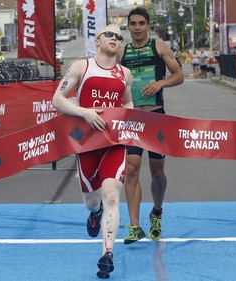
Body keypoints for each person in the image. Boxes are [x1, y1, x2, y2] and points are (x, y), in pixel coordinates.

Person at [52, 24, 133, 278]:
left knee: (111, 196)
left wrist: (126, 117)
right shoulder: (81, 67)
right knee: (92, 201)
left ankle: (107, 254)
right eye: (110, 34)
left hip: (114, 143)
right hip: (86, 143)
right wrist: (84, 112)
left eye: (119, 38)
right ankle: (95, 214)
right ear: (98, 41)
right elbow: (58, 99)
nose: (115, 39)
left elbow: (128, 101)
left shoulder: (125, 73)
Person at [118, 7, 184, 244]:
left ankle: (156, 212)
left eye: (141, 23)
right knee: (132, 169)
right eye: (133, 24)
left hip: (156, 119)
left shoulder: (159, 47)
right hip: (132, 120)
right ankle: (134, 226)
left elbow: (179, 75)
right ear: (128, 27)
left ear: (148, 25)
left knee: (157, 173)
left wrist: (160, 84)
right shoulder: (121, 52)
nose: (137, 27)